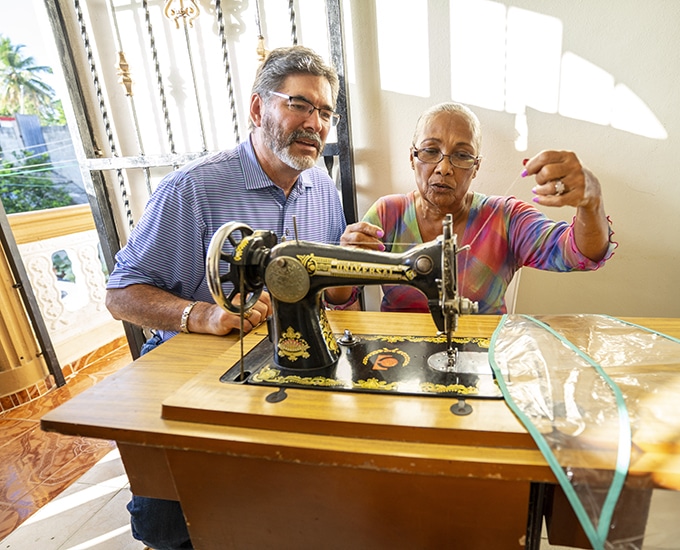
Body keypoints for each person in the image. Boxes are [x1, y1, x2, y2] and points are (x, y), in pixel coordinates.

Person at [105, 45, 353, 550]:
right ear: (258, 108)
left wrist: (352, 262)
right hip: (193, 365)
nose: (315, 123)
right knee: (166, 526)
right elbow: (120, 294)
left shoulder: (322, 189)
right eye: (300, 104)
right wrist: (201, 315)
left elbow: (331, 289)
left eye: (325, 112)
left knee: (303, 503)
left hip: (281, 362)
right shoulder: (193, 189)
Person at [341, 102, 615, 313]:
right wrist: (345, 261)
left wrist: (591, 202)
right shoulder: (387, 214)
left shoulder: (506, 219)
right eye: (431, 151)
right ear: (413, 158)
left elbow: (579, 252)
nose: (444, 168)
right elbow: (342, 296)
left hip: (480, 358)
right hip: (398, 357)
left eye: (461, 155)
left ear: (476, 167)